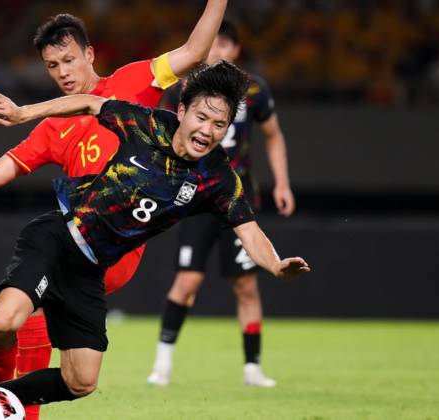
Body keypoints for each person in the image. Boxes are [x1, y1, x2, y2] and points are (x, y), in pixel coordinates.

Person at [0, 61, 309, 416]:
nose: (208, 131)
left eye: (220, 124)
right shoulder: (148, 124)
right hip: (58, 238)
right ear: (184, 110)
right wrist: (23, 114)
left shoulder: (218, 178)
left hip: (90, 270)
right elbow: (91, 104)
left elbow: (250, 231)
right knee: (6, 319)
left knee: (81, 381)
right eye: (203, 117)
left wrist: (275, 264)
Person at [0, 3, 228, 419]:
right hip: (75, 239)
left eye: (69, 60)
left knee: (26, 315)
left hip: (114, 251)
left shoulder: (133, 82)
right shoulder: (54, 125)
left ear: (89, 54)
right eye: (52, 66)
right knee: (0, 330)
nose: (63, 72)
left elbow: (195, 51)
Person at [147, 20, 295, 388]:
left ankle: (252, 368)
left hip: (235, 198)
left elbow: (273, 135)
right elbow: (164, 133)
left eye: (226, 44)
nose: (218, 50)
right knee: (187, 281)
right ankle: (162, 365)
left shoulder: (254, 90)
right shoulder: (185, 89)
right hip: (196, 198)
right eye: (213, 43)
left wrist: (282, 182)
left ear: (236, 50)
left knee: (246, 285)